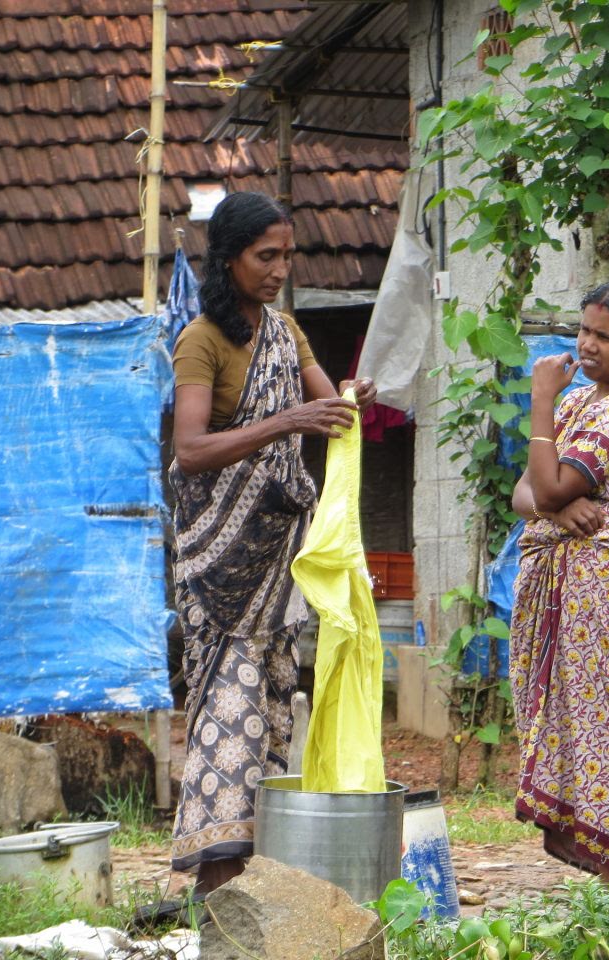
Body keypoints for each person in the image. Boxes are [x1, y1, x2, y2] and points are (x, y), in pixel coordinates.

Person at [167, 191, 376, 892]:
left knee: (270, 712)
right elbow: (192, 448)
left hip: (276, 565)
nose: (280, 268)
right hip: (219, 565)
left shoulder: (286, 332)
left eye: (287, 254)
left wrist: (350, 398)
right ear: (229, 261)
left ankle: (256, 881)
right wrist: (290, 420)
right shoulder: (202, 340)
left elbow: (327, 406)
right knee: (226, 712)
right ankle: (214, 879)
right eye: (267, 256)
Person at [509, 277, 609, 882]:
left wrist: (541, 398)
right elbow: (526, 491)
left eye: (606, 336)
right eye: (584, 330)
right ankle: (596, 855)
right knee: (564, 710)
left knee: (602, 713)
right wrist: (555, 507)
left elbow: (545, 483)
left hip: (602, 584)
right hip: (559, 579)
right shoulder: (583, 403)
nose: (588, 345)